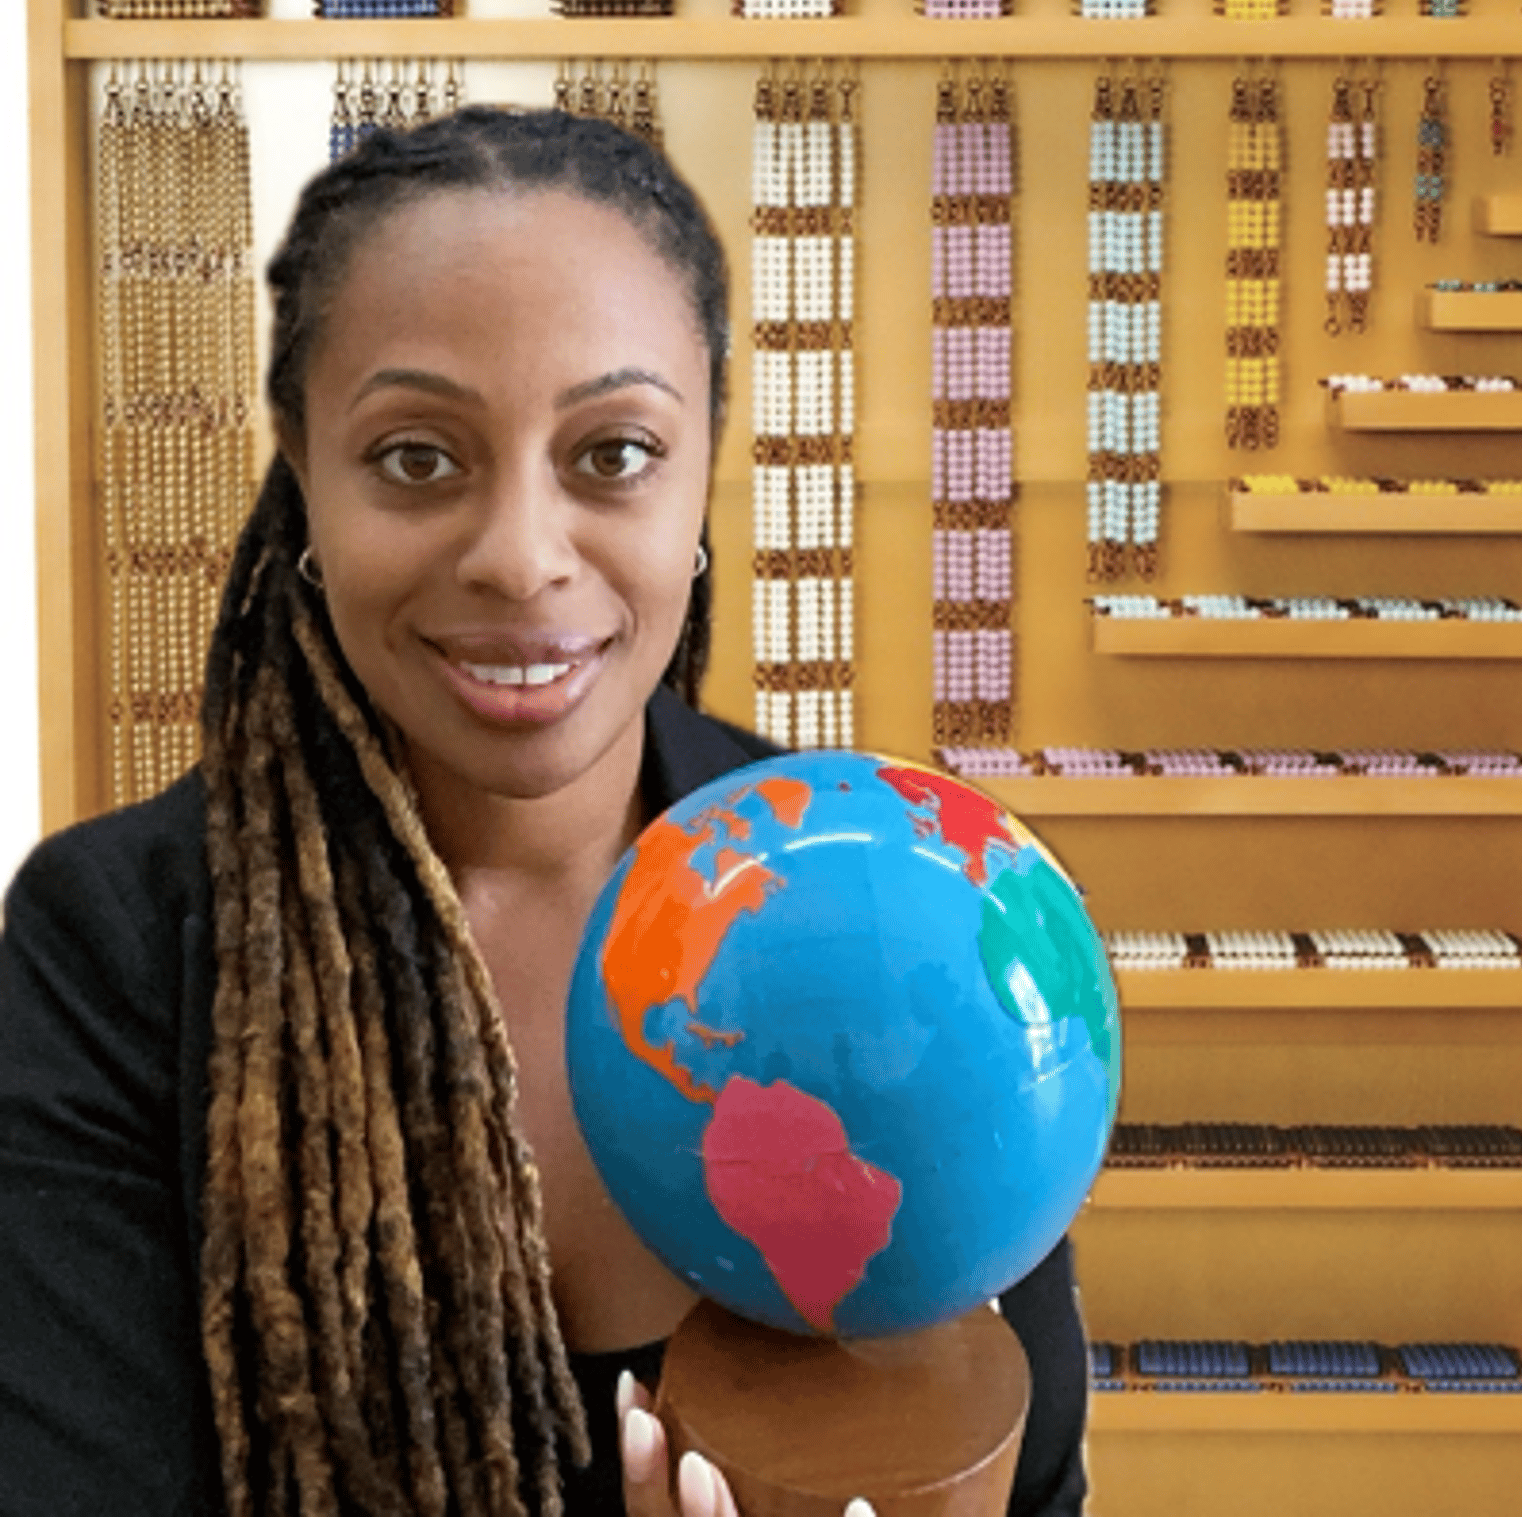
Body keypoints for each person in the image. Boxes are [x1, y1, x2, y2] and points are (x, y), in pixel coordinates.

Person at [0, 107, 1090, 1517]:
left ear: (702, 471)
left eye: (614, 452)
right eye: (416, 457)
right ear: (307, 478)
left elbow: (1035, 1483)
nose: (520, 557)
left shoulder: (909, 893)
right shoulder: (114, 952)